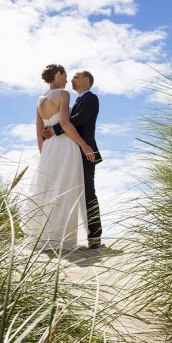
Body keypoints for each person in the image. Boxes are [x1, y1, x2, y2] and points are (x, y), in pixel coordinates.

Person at [20, 64, 96, 251]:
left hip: (49, 149)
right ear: (58, 74)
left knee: (47, 188)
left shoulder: (40, 100)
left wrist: (44, 154)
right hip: (65, 145)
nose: (66, 80)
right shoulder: (63, 94)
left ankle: (44, 235)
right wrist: (83, 144)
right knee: (65, 188)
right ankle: (61, 236)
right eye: (65, 76)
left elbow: (39, 132)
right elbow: (65, 123)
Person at [43, 70, 103, 249]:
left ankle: (95, 237)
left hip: (86, 152)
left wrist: (55, 129)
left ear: (87, 80)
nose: (72, 80)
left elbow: (78, 119)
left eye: (76, 77)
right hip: (69, 152)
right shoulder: (74, 101)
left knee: (88, 192)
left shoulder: (91, 98)